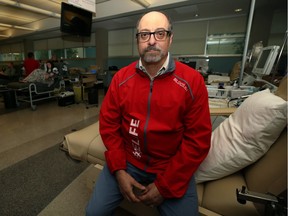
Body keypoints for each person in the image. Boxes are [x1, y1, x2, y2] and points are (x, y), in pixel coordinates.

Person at [86, 11, 212, 216]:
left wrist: (165, 186)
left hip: (170, 167)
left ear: (170, 38)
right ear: (137, 41)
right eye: (144, 34)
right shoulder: (120, 79)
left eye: (159, 33)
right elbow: (109, 126)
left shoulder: (192, 81)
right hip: (128, 161)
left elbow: (198, 140)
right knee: (93, 213)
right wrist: (118, 170)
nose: (152, 41)